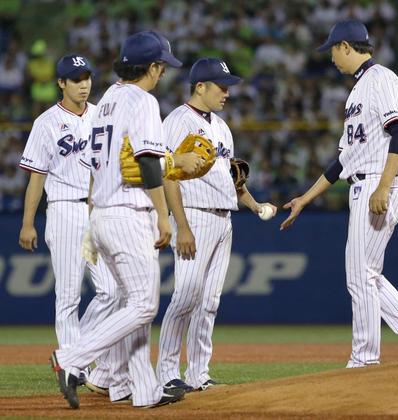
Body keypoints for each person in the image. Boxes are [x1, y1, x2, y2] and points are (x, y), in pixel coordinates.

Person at [49, 31, 204, 409]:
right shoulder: (143, 100)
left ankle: (135, 388)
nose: (163, 72)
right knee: (144, 306)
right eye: (161, 66)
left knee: (131, 306)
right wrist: (165, 217)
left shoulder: (108, 100)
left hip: (102, 212)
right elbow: (148, 162)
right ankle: (72, 358)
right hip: (128, 214)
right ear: (150, 67)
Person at [280, 20, 398, 368]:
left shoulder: (381, 79)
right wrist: (305, 199)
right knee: (366, 273)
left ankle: (365, 359)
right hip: (363, 181)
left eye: (333, 51)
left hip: (378, 183)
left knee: (360, 274)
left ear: (345, 46)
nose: (332, 59)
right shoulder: (356, 92)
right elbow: (342, 161)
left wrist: (383, 185)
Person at [157, 57, 277, 391]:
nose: (227, 92)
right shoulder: (178, 121)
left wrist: (255, 206)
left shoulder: (222, 127)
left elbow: (232, 181)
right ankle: (166, 372)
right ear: (200, 87)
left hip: (224, 219)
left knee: (209, 302)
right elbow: (168, 175)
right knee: (186, 297)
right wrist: (181, 225)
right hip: (193, 214)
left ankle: (198, 374)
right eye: (221, 86)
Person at [19, 54, 119, 384]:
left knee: (110, 291)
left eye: (87, 77)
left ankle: (72, 356)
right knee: (68, 296)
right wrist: (27, 222)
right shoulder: (46, 122)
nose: (84, 84)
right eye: (76, 79)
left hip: (97, 211)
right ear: (61, 83)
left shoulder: (101, 115)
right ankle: (73, 370)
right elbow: (36, 177)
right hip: (63, 210)